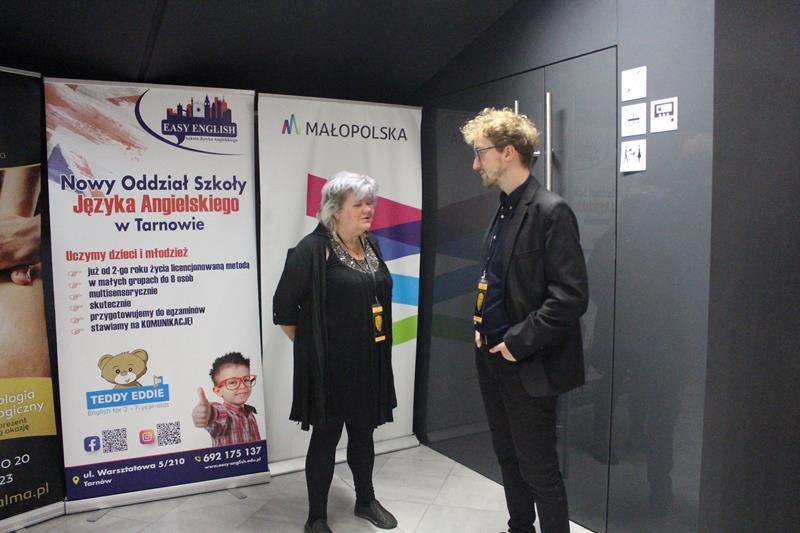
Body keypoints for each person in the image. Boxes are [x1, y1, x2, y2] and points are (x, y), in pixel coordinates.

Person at [461, 108, 588, 533]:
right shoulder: (503, 209)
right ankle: (519, 527)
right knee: (507, 456)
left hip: (527, 360)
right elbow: (498, 281)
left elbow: (570, 297)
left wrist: (517, 341)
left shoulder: (551, 211)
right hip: (492, 357)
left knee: (539, 469)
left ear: (508, 152)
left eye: (481, 153)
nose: (475, 164)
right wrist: (480, 326)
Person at [273, 172, 398, 533]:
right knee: (326, 439)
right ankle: (316, 517)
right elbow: (284, 310)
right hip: (330, 369)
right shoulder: (312, 249)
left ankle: (365, 500)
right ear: (335, 210)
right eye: (358, 204)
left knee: (363, 434)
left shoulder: (371, 244)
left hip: (370, 363)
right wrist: (315, 350)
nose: (368, 209)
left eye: (370, 202)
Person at [192, 352, 262, 446]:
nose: (242, 386)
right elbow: (216, 413)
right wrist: (207, 413)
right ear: (218, 391)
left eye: (246, 379)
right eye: (232, 382)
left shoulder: (251, 415)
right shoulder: (225, 415)